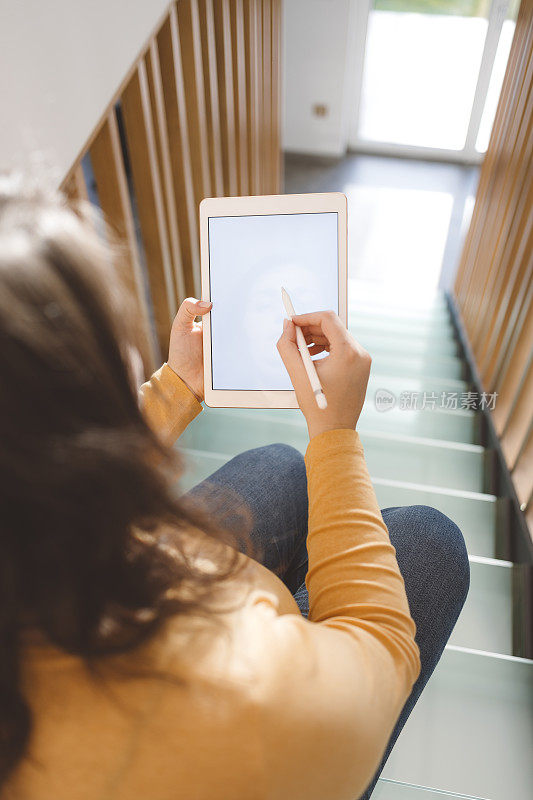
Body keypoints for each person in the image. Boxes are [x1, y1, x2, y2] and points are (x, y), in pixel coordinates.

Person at [0, 176, 469, 800]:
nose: (131, 355)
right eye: (113, 348)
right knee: (430, 543)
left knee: (278, 466)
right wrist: (334, 433)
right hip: (243, 726)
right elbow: (383, 647)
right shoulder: (235, 701)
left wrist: (174, 389)